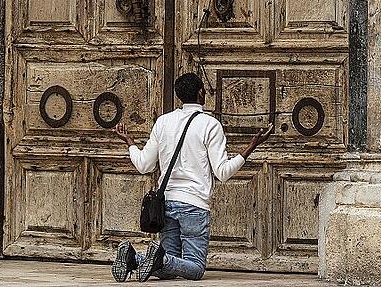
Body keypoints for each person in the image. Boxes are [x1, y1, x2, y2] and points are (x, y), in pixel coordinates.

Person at [110, 72, 274, 282]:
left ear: (179, 95)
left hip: (166, 204)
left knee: (168, 270)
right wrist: (252, 146)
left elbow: (144, 165)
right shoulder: (210, 125)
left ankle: (134, 258)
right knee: (195, 269)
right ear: (201, 93)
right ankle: (156, 259)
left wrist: (130, 142)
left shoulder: (163, 122)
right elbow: (222, 172)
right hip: (194, 206)